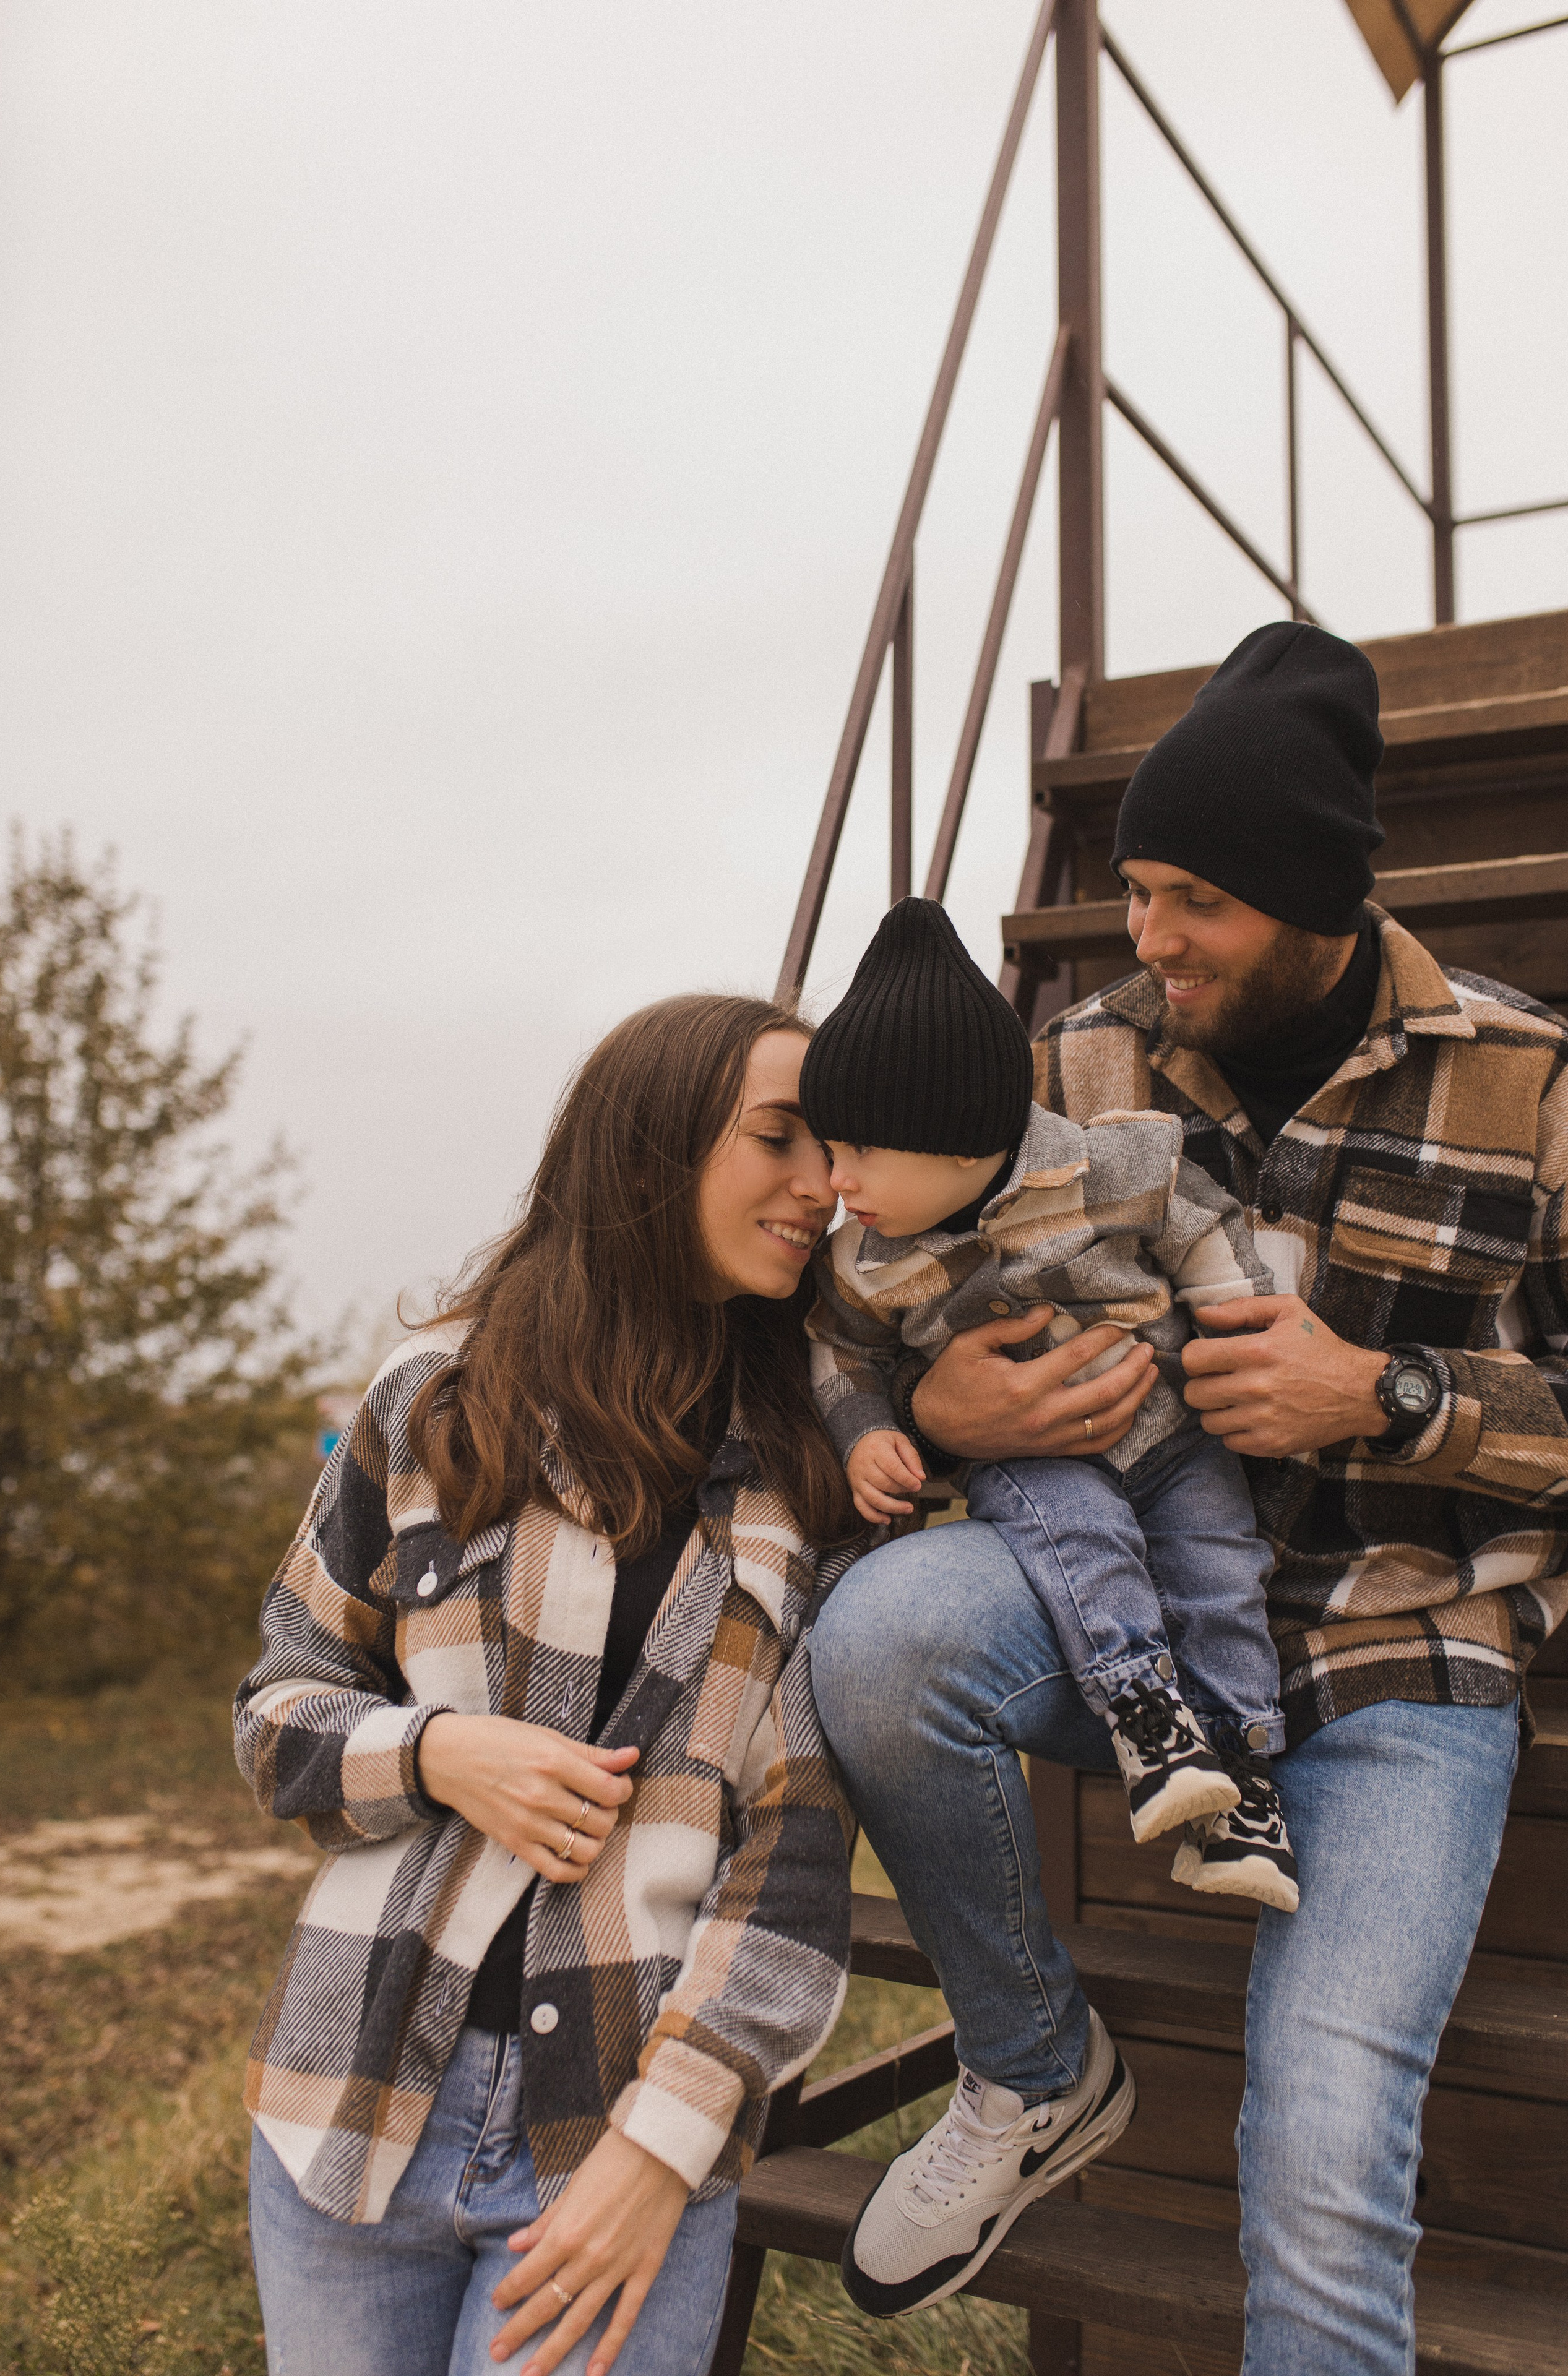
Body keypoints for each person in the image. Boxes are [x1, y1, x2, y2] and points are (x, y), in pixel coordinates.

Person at [809, 621, 1568, 2372]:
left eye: (1190, 902)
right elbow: (886, 1264)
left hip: (1406, 1665)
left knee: (1315, 2161)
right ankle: (1036, 2064)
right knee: (877, 1639)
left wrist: (1386, 1395)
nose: (1144, 937)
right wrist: (932, 1399)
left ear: (1314, 899)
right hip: (1122, 1612)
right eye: (1136, 888)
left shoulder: (1528, 1079)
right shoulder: (1082, 1061)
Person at [235, 994, 860, 2376]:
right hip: (349, 2112)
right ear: (648, 1158)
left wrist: (661, 2151)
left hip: (614, 2138)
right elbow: (274, 1713)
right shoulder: (433, 1401)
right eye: (778, 1140)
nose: (822, 1184)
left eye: (832, 1147)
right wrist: (438, 1754)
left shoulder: (812, 1464)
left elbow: (796, 1867)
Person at [800, 895, 1296, 1903]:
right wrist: (868, 1434)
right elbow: (836, 1355)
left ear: (952, 1136)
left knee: (1221, 1569)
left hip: (1173, 1437)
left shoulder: (1106, 1165)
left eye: (856, 1151)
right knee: (1081, 1548)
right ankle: (1149, 1725)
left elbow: (1200, 1218)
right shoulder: (865, 1260)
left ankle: (1244, 1783)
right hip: (1032, 1461)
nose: (831, 1180)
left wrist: (1239, 1322)